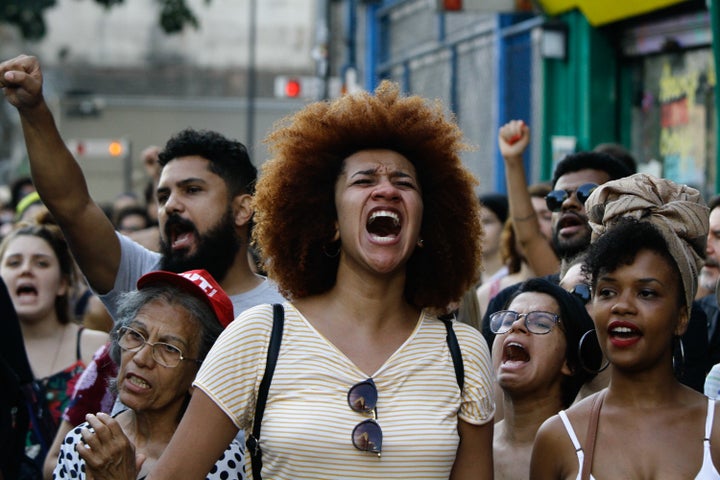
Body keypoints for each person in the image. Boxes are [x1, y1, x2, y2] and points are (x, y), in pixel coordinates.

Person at [140, 81, 495, 479]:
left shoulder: (464, 353)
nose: (386, 190)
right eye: (364, 181)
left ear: (426, 226)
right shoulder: (257, 337)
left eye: (404, 182)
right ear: (329, 223)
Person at [531, 173, 720, 479]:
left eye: (646, 292)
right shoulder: (559, 438)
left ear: (682, 317)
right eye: (607, 292)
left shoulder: (718, 430)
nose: (622, 306)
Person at [52, 269, 244, 479]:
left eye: (169, 349)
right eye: (136, 335)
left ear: (200, 374)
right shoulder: (87, 443)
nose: (141, 358)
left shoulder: (221, 461)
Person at [0, 212, 108, 472]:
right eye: (14, 263)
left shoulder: (96, 349)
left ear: (62, 283)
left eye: (41, 263)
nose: (26, 269)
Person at [491, 277, 600, 479]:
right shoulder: (468, 444)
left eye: (540, 322)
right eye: (507, 320)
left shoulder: (593, 453)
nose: (516, 325)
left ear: (570, 362)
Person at [478, 192, 508, 285]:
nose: (479, 230)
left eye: (487, 222)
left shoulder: (519, 279)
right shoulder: (465, 281)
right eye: (473, 223)